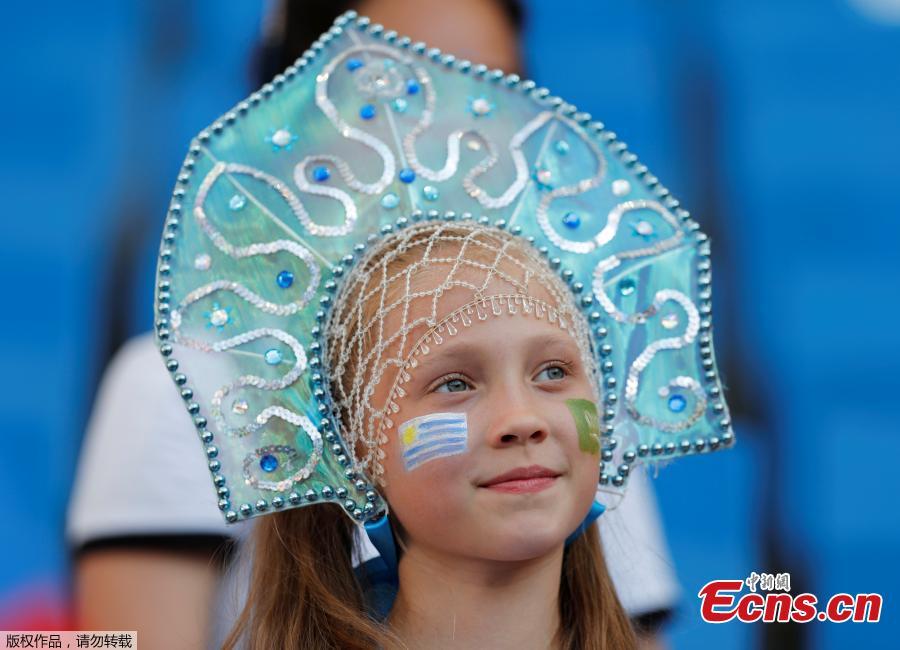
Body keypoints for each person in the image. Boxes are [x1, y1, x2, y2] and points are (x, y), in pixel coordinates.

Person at [69, 2, 736, 648]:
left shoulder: (570, 418)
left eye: (488, 87)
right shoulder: (176, 387)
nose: (456, 129)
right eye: (397, 87)